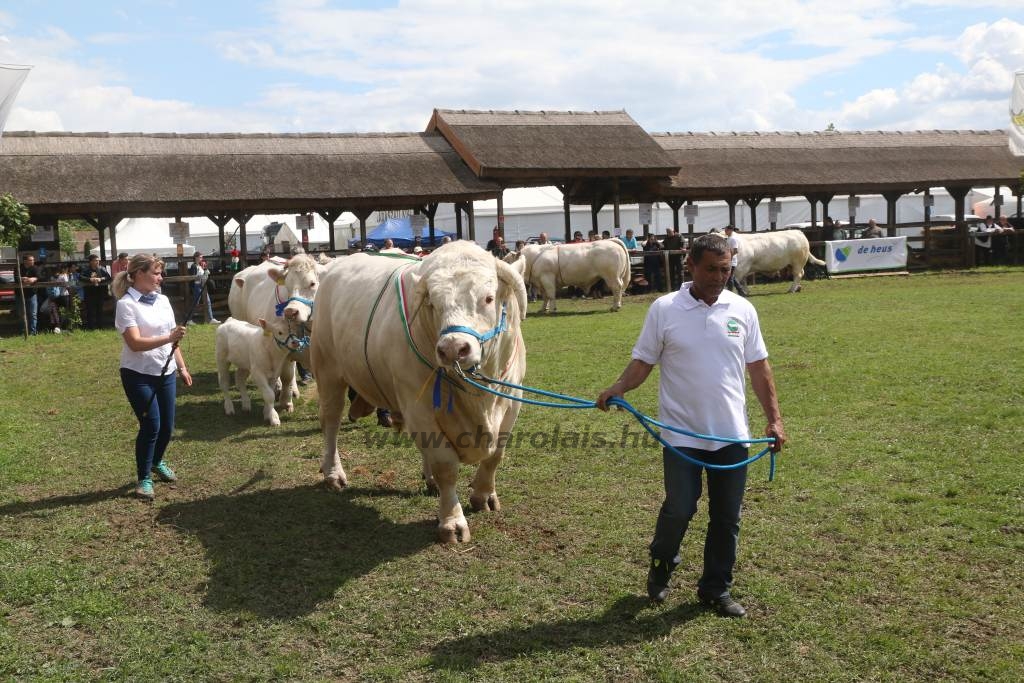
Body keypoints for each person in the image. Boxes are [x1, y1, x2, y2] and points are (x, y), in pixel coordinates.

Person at [597, 233, 786, 618]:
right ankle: (662, 562)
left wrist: (774, 419)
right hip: (681, 434)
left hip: (731, 434)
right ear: (691, 265)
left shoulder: (742, 309)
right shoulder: (665, 309)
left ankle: (716, 589)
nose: (720, 276)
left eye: (726, 268)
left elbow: (759, 368)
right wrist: (618, 388)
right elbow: (643, 362)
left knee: (727, 518)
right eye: (712, 269)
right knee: (680, 508)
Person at [112, 254, 192, 501]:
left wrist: (182, 367)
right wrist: (169, 338)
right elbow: (135, 343)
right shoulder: (126, 304)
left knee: (167, 427)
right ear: (137, 274)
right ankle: (144, 477)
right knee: (151, 425)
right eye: (156, 273)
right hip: (138, 375)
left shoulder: (163, 300)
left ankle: (157, 461)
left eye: (160, 272)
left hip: (165, 371)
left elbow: (173, 338)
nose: (161, 277)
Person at [81, 254, 112, 329]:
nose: (97, 262)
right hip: (89, 293)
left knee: (100, 310)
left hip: (99, 292)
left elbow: (108, 277)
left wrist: (101, 279)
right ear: (91, 262)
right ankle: (91, 327)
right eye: (95, 260)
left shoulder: (101, 269)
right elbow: (80, 277)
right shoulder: (86, 269)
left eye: (98, 260)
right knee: (90, 311)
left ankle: (100, 326)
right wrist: (90, 279)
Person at [188, 252, 219, 324]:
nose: (201, 259)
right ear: (196, 257)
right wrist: (202, 276)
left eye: (202, 257)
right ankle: (189, 319)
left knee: (208, 302)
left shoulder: (200, 265)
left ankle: (211, 319)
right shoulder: (193, 266)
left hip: (202, 286)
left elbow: (204, 274)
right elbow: (193, 277)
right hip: (197, 286)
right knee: (195, 303)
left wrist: (205, 270)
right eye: (200, 257)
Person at [16, 253, 40, 335]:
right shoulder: (18, 268)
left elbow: (39, 276)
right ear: (25, 261)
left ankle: (33, 332)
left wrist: (33, 279)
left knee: (33, 314)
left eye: (33, 260)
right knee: (21, 314)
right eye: (31, 260)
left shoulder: (35, 268)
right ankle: (23, 331)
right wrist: (23, 278)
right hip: (20, 295)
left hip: (32, 294)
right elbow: (16, 278)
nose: (33, 261)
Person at [723, 225, 748, 297]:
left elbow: (736, 251)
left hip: (732, 261)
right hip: (729, 261)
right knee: (732, 277)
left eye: (726, 230)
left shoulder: (733, 239)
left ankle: (730, 293)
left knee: (730, 277)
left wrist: (729, 257)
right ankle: (741, 291)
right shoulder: (728, 239)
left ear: (730, 230)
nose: (725, 231)